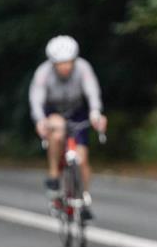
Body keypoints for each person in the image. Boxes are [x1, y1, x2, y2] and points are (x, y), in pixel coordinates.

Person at [29, 35, 107, 219]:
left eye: (69, 62)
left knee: (83, 159)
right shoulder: (43, 73)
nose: (65, 67)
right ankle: (54, 175)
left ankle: (83, 199)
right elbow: (36, 99)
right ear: (53, 63)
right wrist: (40, 120)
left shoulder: (83, 68)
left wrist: (96, 113)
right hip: (53, 112)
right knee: (57, 131)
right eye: (60, 63)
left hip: (77, 112)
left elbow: (92, 92)